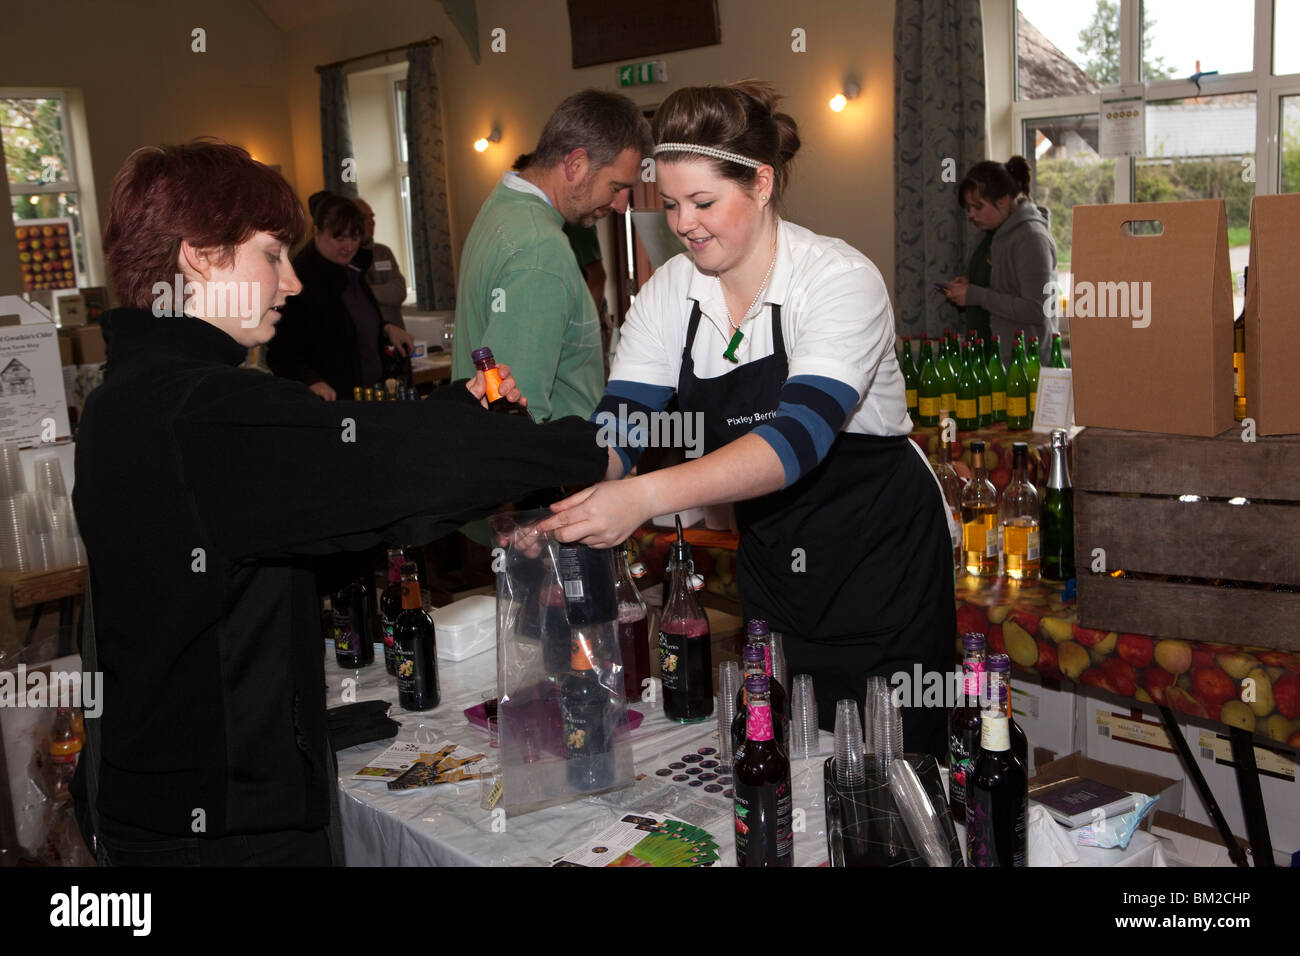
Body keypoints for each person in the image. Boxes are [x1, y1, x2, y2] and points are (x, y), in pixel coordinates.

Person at [71, 140, 606, 866]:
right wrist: (591, 451)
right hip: (221, 826)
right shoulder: (205, 409)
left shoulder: (128, 395)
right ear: (200, 256)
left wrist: (459, 406)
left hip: (156, 793)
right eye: (270, 256)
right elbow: (386, 474)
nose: (291, 283)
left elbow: (328, 471)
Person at [538, 82, 957, 756]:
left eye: (704, 202)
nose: (684, 223)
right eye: (670, 204)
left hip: (882, 561)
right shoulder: (672, 293)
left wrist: (641, 496)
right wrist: (573, 498)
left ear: (761, 184)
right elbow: (620, 426)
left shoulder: (838, 279)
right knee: (783, 749)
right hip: (776, 562)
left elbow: (796, 441)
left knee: (894, 770)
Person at [451, 89, 651, 422]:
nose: (620, 205)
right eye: (616, 187)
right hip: (548, 469)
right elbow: (515, 421)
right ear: (575, 164)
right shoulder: (541, 251)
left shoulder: (500, 207)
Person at [266, 194, 414, 400]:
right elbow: (280, 351)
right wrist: (312, 381)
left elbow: (348, 321)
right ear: (317, 232)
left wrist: (385, 328)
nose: (349, 246)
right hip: (332, 400)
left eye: (354, 238)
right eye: (340, 238)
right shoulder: (298, 281)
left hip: (369, 394)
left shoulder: (352, 269)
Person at [944, 156, 1057, 366]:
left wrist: (975, 295)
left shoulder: (1031, 238)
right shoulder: (986, 234)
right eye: (969, 208)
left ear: (1003, 200)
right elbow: (994, 286)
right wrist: (967, 287)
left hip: (1020, 365)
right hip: (985, 357)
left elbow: (1037, 310)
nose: (971, 215)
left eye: (978, 207)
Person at [354, 197, 408, 331]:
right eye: (365, 218)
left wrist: (367, 291)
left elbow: (399, 291)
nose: (371, 222)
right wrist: (383, 293)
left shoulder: (383, 252)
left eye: (372, 217)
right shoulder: (345, 256)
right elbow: (354, 300)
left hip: (396, 335)